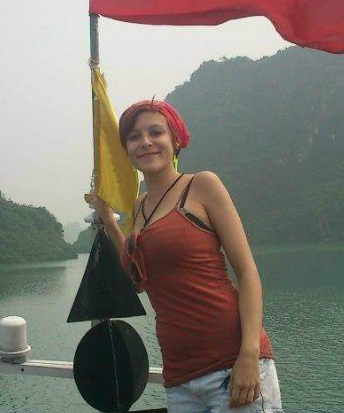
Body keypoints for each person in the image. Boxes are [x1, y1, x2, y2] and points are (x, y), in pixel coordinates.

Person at [86, 100, 282, 413]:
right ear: (126, 149)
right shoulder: (139, 208)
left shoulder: (202, 186)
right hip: (179, 377)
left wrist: (249, 355)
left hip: (230, 364)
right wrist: (108, 219)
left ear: (176, 139)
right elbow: (137, 279)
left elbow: (247, 274)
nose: (146, 141)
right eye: (135, 137)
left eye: (155, 132)